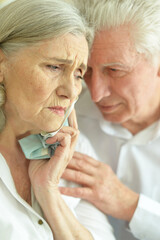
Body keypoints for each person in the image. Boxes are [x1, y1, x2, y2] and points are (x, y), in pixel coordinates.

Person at [0, 0, 117, 239]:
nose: (72, 91)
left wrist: (48, 190)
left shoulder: (74, 150)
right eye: (54, 67)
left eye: (77, 73)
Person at [60, 0, 160, 240]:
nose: (95, 94)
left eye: (115, 70)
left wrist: (129, 205)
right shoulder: (64, 120)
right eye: (86, 72)